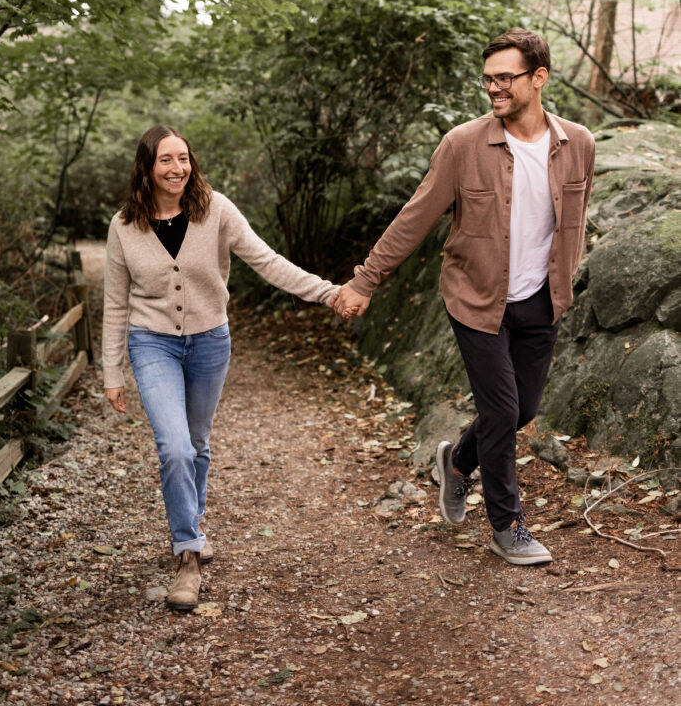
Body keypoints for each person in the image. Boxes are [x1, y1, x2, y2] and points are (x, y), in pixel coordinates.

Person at [332, 30, 595, 566]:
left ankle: (457, 462)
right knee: (500, 409)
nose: (494, 88)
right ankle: (508, 525)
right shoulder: (462, 145)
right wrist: (365, 279)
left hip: (541, 300)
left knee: (523, 410)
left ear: (538, 78)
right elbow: (415, 218)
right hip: (477, 298)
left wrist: (564, 280)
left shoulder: (578, 144)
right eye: (488, 78)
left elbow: (575, 221)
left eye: (505, 78)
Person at [103, 125, 338, 610]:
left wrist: (329, 292)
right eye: (165, 160)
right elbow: (114, 303)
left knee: (198, 444)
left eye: (183, 158)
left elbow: (268, 262)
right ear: (146, 167)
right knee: (174, 448)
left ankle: (193, 523)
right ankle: (187, 551)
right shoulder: (123, 226)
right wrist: (112, 370)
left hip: (210, 340)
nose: (177, 168)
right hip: (152, 344)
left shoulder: (216, 211)